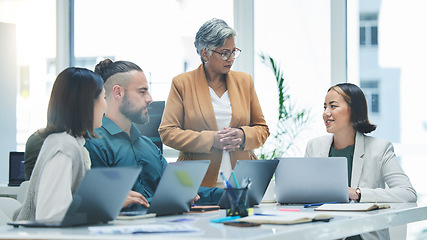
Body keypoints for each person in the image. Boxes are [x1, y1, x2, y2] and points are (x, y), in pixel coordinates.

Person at [85, 59, 223, 210]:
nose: (150, 99)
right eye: (142, 92)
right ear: (118, 92)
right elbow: (102, 204)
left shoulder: (147, 145)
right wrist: (173, 199)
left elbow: (180, 188)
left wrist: (233, 194)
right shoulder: (93, 143)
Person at [14, 67, 147, 222]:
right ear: (86, 103)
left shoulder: (70, 143)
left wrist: (108, 199)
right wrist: (106, 203)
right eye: (103, 98)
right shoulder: (63, 148)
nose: (105, 106)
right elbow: (51, 217)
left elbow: (71, 203)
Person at [158, 18, 269, 188]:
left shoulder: (244, 82)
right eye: (224, 53)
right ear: (205, 53)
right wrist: (211, 140)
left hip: (241, 182)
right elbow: (168, 133)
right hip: (197, 183)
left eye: (233, 52)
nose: (231, 58)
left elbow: (262, 129)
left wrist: (243, 135)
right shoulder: (182, 84)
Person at [305, 83, 417, 240]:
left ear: (353, 110)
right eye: (325, 107)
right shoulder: (314, 146)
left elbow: (408, 193)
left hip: (363, 235)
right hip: (324, 234)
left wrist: (357, 193)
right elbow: (306, 192)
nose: (326, 113)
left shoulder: (380, 148)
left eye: (333, 106)